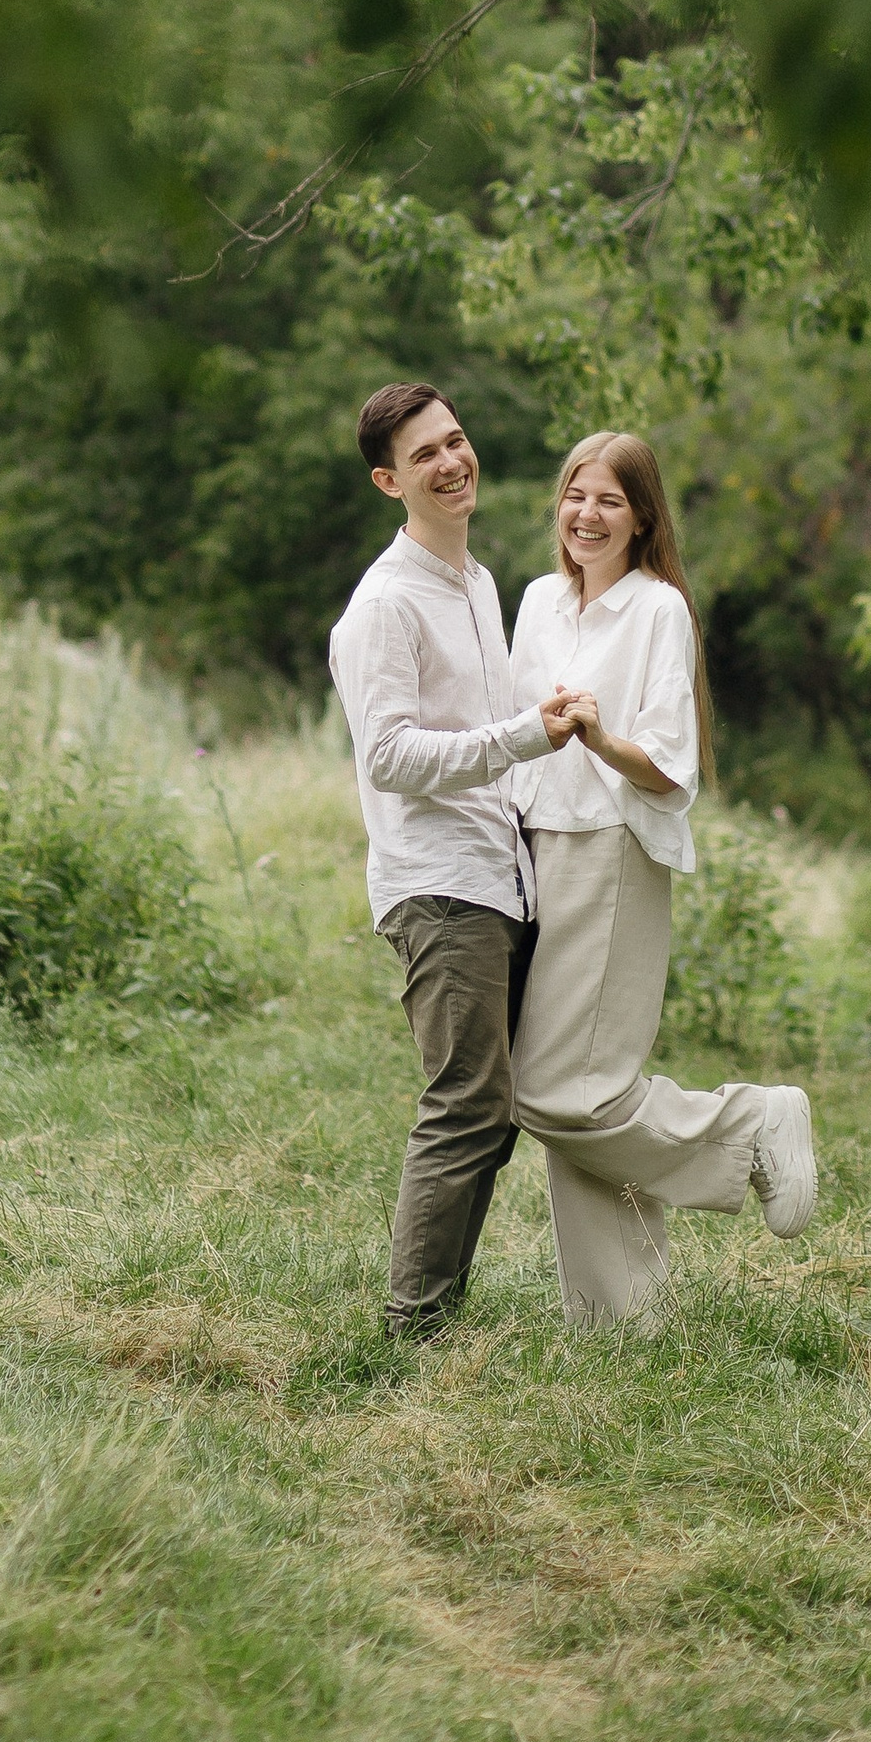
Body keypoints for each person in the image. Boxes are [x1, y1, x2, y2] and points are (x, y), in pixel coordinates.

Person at [508, 428, 817, 1323]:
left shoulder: (657, 611)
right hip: (533, 849)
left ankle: (750, 1123)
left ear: (643, 518)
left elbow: (672, 768)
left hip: (611, 849)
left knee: (562, 1092)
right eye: (574, 494)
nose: (586, 514)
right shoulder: (534, 602)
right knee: (578, 1091)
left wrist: (599, 738)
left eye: (609, 499)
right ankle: (621, 1318)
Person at [327, 380, 589, 1340]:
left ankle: (431, 1318)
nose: (451, 462)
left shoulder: (478, 586)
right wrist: (523, 738)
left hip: (500, 875)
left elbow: (485, 737)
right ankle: (411, 1331)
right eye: (425, 455)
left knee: (494, 1108)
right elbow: (389, 758)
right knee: (468, 1104)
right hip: (437, 887)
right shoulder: (383, 608)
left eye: (457, 440)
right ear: (388, 482)